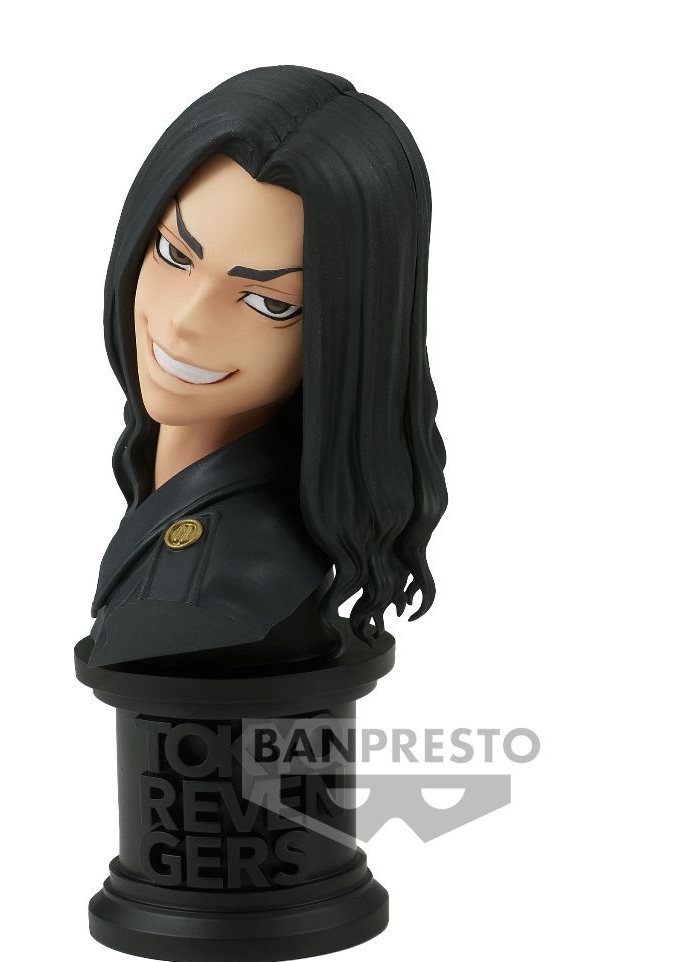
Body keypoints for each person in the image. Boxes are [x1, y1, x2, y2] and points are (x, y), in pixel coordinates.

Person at [86, 65, 447, 671]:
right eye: (175, 253)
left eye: (268, 303)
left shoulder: (230, 579)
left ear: (345, 332)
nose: (186, 322)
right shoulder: (167, 490)